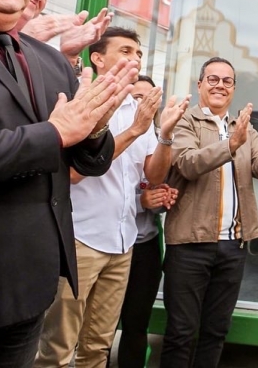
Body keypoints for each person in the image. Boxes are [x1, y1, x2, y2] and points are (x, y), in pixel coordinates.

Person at [0, 0, 136, 367]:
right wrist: (57, 132)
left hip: (34, 283)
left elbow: (88, 159)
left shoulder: (47, 58)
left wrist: (96, 124)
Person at [35, 28, 188, 368]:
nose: (134, 58)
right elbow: (74, 172)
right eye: (126, 51)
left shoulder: (140, 110)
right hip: (80, 241)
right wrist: (134, 130)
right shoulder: (80, 102)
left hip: (123, 242)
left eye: (138, 53)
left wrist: (163, 134)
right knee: (59, 348)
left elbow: (155, 178)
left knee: (99, 347)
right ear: (98, 58)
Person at [161, 57, 258, 368]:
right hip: (189, 244)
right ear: (200, 84)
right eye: (213, 79)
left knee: (216, 331)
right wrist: (231, 145)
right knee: (180, 332)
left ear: (233, 88)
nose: (220, 85)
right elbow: (188, 164)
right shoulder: (184, 122)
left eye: (227, 81)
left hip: (233, 245)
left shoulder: (244, 128)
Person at [114, 75, 177, 368]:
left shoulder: (158, 138)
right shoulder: (110, 132)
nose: (143, 104)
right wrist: (141, 201)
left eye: (149, 98)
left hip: (146, 245)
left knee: (137, 325)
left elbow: (156, 182)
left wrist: (163, 197)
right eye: (137, 98)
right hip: (111, 246)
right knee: (99, 326)